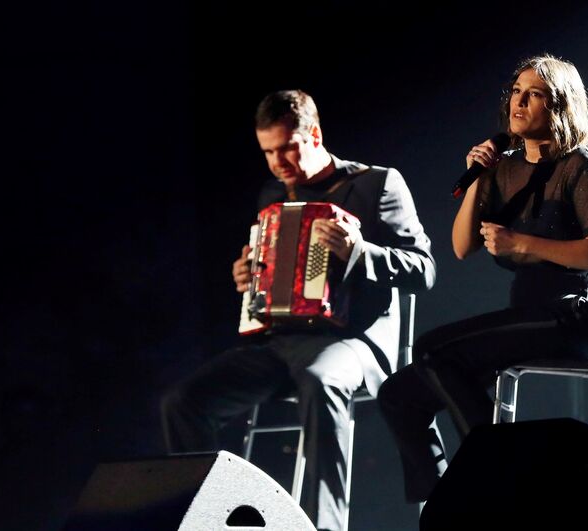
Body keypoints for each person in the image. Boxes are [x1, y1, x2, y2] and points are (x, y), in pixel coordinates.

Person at [161, 89, 436, 531]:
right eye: (268, 152)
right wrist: (249, 277)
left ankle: (322, 528)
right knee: (183, 401)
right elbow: (268, 268)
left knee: (320, 379)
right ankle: (207, 522)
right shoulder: (272, 193)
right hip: (284, 341)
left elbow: (424, 270)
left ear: (315, 134)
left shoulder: (377, 183)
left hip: (357, 342)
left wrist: (360, 251)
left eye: (286, 148)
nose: (278, 163)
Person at [377, 54, 588, 505]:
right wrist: (476, 181)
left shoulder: (581, 167)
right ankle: (443, 503)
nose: (519, 102)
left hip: (571, 316)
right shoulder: (504, 167)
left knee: (431, 348)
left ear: (560, 107)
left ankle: (499, 481)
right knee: (397, 396)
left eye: (534, 94)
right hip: (524, 314)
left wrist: (523, 245)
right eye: (515, 91)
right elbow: (461, 246)